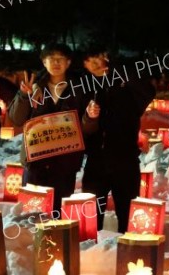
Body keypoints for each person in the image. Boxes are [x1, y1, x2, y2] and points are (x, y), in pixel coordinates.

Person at [8, 44, 100, 212]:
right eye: (51, 59)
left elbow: (86, 130)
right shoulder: (34, 87)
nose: (56, 63)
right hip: (36, 160)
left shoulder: (80, 90)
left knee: (58, 213)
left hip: (64, 163)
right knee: (32, 211)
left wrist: (90, 117)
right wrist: (23, 96)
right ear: (44, 62)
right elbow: (17, 118)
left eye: (61, 59)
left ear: (69, 62)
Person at [80, 48, 156, 233]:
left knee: (127, 214)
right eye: (90, 59)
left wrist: (116, 69)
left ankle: (127, 255)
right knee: (91, 215)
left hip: (126, 160)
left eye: (99, 57)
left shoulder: (127, 86)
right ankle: (90, 254)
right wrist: (89, 117)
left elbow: (147, 91)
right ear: (84, 64)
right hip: (95, 161)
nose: (96, 63)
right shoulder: (83, 86)